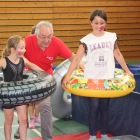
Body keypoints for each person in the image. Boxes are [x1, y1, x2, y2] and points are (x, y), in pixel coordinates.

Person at [62, 9, 133, 140]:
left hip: (106, 77)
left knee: (105, 106)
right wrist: (68, 75)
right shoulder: (86, 40)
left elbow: (117, 54)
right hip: (92, 78)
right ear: (91, 23)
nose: (99, 26)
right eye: (96, 23)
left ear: (105, 23)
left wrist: (127, 70)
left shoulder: (111, 37)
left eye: (102, 23)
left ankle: (104, 134)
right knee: (94, 107)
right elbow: (77, 58)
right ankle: (93, 135)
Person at [23, 21, 84, 140]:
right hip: (29, 76)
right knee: (23, 106)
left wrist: (81, 64)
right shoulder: (27, 41)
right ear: (36, 35)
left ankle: (47, 138)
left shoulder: (56, 43)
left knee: (45, 106)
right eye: (43, 37)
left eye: (49, 37)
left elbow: (73, 57)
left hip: (45, 79)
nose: (46, 40)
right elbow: (16, 55)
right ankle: (20, 131)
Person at [0, 35, 43, 140]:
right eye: (22, 47)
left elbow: (33, 66)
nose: (25, 50)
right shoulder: (4, 61)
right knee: (9, 120)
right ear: (13, 49)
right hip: (8, 96)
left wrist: (45, 74)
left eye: (24, 47)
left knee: (23, 120)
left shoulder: (22, 59)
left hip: (20, 95)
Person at [28, 25, 41, 129]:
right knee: (31, 100)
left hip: (39, 74)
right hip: (29, 74)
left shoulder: (41, 46)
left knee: (39, 99)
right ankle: (31, 119)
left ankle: (36, 117)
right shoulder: (27, 45)